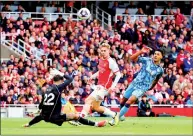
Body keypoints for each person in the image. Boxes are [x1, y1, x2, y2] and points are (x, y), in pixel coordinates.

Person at [23, 68, 107, 127]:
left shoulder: (48, 89)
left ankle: (28, 124)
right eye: (62, 81)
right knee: (76, 116)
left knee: (43, 115)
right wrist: (60, 73)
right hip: (54, 117)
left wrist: (29, 123)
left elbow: (41, 106)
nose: (63, 82)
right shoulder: (58, 87)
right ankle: (96, 124)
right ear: (60, 81)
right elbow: (70, 79)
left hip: (45, 116)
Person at [110, 47, 164, 125]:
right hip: (134, 83)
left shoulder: (160, 70)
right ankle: (121, 115)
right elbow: (132, 58)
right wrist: (140, 51)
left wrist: (152, 86)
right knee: (122, 101)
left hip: (142, 88)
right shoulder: (147, 60)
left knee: (129, 101)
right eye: (155, 54)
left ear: (161, 57)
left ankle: (115, 118)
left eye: (158, 54)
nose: (155, 55)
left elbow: (156, 79)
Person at [80, 43, 121, 125]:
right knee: (96, 107)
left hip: (105, 87)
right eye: (101, 51)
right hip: (99, 85)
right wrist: (93, 76)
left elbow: (118, 74)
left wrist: (112, 87)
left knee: (88, 100)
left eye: (104, 51)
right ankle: (114, 115)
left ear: (109, 51)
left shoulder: (111, 62)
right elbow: (101, 71)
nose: (103, 52)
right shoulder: (101, 59)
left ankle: (80, 118)